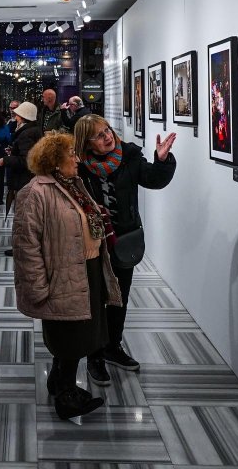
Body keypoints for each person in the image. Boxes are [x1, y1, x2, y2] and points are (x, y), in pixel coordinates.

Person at [12, 132, 123, 420]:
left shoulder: (73, 184)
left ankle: (59, 381)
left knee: (81, 331)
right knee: (70, 334)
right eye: (71, 154)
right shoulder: (34, 193)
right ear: (55, 161)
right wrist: (37, 287)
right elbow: (26, 246)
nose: (77, 158)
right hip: (62, 274)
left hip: (87, 268)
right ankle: (67, 397)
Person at [72, 115, 177, 384]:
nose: (107, 136)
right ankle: (94, 354)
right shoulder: (79, 167)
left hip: (124, 239)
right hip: (92, 243)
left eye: (107, 130)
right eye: (99, 135)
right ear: (87, 143)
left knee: (119, 297)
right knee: (95, 300)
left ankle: (112, 347)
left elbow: (153, 179)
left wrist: (162, 161)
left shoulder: (129, 156)